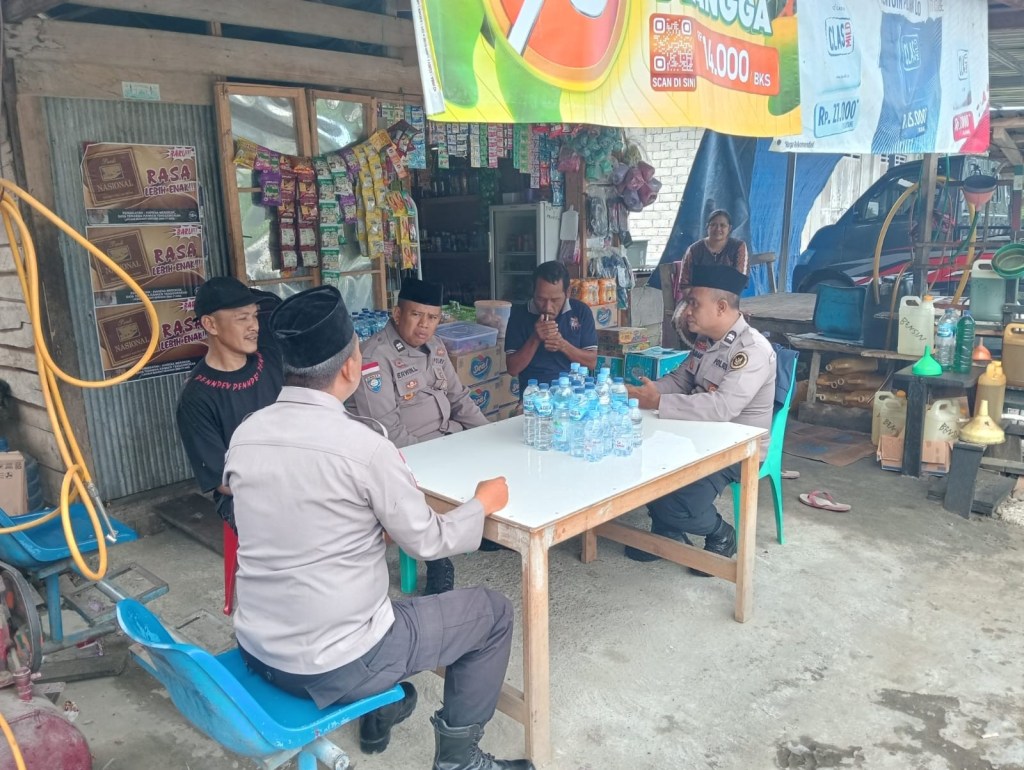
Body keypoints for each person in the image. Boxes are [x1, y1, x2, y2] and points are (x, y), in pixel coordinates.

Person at [224, 286, 533, 770]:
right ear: (352, 365)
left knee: (384, 600)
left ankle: (391, 702)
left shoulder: (247, 433)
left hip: (257, 647)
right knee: (491, 613)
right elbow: (430, 540)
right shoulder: (364, 448)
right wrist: (482, 503)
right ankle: (459, 759)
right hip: (336, 661)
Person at [625, 264, 775, 575]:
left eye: (694, 303)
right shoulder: (707, 341)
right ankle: (668, 531)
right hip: (696, 436)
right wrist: (648, 393)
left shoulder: (752, 351)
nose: (687, 310)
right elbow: (681, 380)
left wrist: (659, 402)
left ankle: (721, 534)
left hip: (735, 450)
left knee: (673, 503)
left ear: (721, 307)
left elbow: (722, 407)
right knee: (639, 466)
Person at [352, 277, 490, 596]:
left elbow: (458, 398)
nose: (424, 325)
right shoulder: (374, 357)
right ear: (397, 314)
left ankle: (482, 531)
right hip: (407, 455)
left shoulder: (436, 346)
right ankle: (438, 559)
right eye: (416, 315)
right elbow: (388, 433)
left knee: (496, 463)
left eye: (432, 317)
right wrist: (441, 457)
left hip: (448, 440)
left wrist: (487, 435)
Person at [176, 277, 283, 531]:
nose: (254, 326)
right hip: (246, 500)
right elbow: (223, 481)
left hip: (299, 479)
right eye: (242, 318)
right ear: (210, 324)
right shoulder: (196, 398)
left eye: (254, 316)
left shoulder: (270, 358)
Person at [505, 260, 598, 393]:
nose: (548, 307)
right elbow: (512, 369)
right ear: (533, 292)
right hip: (534, 394)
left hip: (573, 394)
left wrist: (562, 345)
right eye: (541, 299)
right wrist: (535, 338)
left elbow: (591, 363)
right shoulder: (519, 315)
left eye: (555, 300)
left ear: (567, 292)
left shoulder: (581, 311)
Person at [673, 209, 750, 299]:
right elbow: (684, 284)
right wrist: (698, 302)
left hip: (727, 301)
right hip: (698, 301)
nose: (718, 229)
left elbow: (740, 281)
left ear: (729, 228)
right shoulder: (694, 250)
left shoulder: (738, 247)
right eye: (713, 225)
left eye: (722, 225)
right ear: (707, 227)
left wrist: (722, 303)